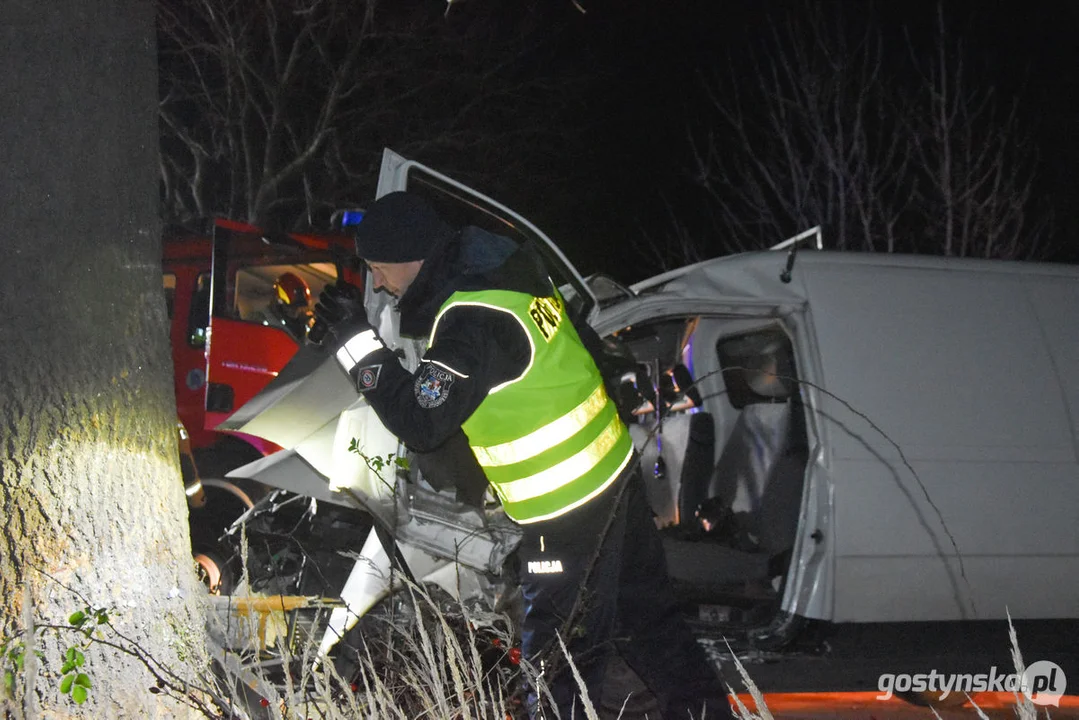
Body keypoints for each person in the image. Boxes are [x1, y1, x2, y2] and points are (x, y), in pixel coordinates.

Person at [313, 191, 731, 719]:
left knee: (558, 666)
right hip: (613, 476)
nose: (376, 282)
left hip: (564, 510)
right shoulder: (509, 266)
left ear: (410, 255)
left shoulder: (470, 319)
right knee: (649, 623)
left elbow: (421, 422)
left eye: (377, 268)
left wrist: (354, 339)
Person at [270, 271, 314, 340]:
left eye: (299, 307)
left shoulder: (307, 324)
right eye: (293, 307)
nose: (297, 311)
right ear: (280, 303)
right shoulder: (266, 321)